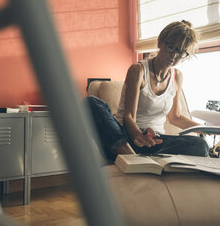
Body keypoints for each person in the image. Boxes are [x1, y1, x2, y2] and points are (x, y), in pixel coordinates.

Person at [85, 20, 209, 161]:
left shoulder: (177, 77)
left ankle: (146, 160)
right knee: (91, 103)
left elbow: (175, 117)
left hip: (154, 142)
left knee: (200, 145)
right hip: (125, 138)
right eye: (170, 48)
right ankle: (132, 157)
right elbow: (128, 117)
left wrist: (205, 128)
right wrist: (138, 135)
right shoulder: (138, 70)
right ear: (160, 43)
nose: (174, 56)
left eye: (180, 52)